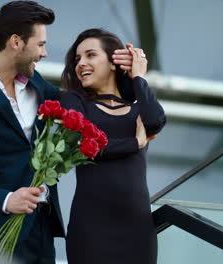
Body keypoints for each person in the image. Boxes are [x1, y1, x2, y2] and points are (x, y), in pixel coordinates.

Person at [0, 2, 136, 263]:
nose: (44, 53)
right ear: (16, 42)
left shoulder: (37, 84)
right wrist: (7, 200)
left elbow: (88, 104)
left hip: (42, 231)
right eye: (40, 44)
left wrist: (128, 76)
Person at [60, 28, 167, 264]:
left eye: (90, 55)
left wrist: (137, 76)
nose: (81, 64)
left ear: (112, 62)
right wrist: (134, 143)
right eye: (77, 59)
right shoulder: (74, 101)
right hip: (91, 225)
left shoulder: (139, 108)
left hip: (136, 226)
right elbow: (81, 146)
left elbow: (155, 121)